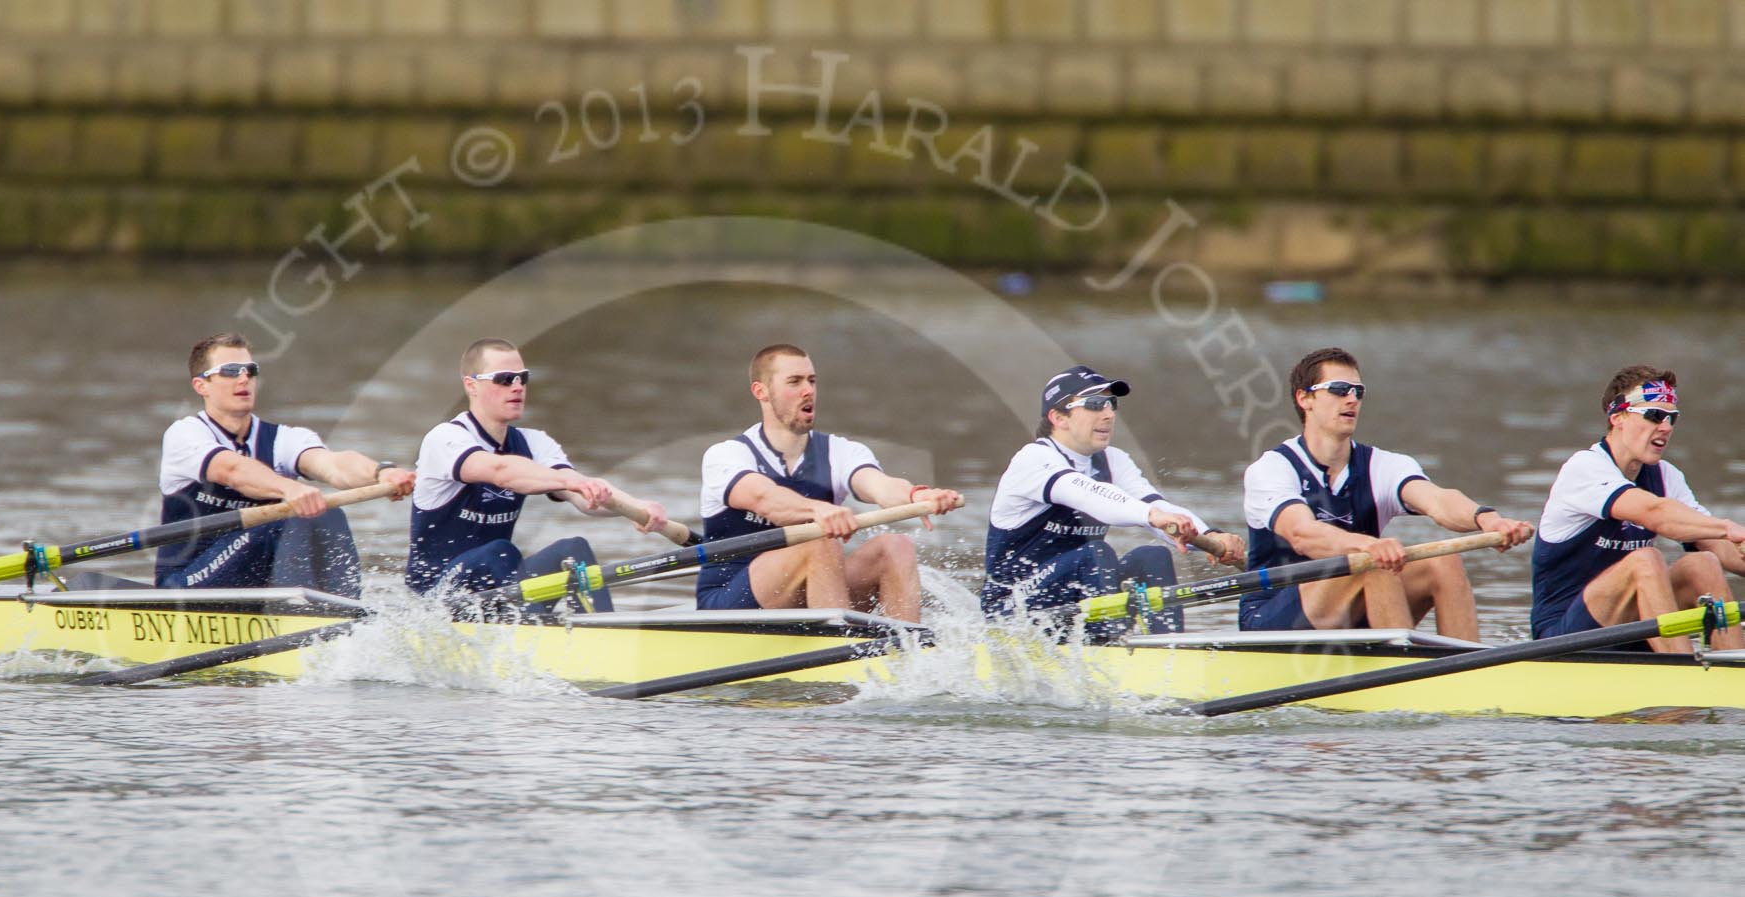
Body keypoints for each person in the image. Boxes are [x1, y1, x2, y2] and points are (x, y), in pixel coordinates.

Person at [1239, 346, 1532, 638]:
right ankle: (1403, 671)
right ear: (1305, 398)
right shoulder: (1272, 469)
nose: (1352, 398)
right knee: (1371, 563)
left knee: (1443, 563)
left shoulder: (1381, 465)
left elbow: (1438, 500)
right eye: (1339, 389)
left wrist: (1486, 519)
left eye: (1358, 391)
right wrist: (1365, 546)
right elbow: (1302, 534)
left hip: (1354, 603)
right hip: (1272, 616)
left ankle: (1466, 669)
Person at [696, 344, 962, 621]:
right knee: (819, 540)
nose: (808, 390)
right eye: (794, 382)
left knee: (896, 546)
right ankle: (841, 651)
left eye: (811, 381)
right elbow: (764, 498)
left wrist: (916, 496)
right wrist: (817, 510)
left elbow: (879, 486)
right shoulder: (726, 455)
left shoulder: (840, 451)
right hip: (729, 602)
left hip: (807, 590)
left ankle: (909, 653)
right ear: (761, 392)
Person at [405, 339, 669, 612]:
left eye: (522, 378)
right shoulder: (445, 438)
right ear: (471, 385)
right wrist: (569, 481)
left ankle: (603, 635)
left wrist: (637, 507)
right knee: (499, 551)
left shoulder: (536, 443)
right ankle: (532, 627)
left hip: (496, 589)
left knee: (573, 550)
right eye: (504, 379)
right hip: (435, 602)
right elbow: (501, 471)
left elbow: (584, 495)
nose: (517, 386)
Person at [982, 365, 1245, 633]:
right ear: (1059, 417)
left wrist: (1212, 536)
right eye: (1095, 404)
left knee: (1152, 556)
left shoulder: (1113, 460)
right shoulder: (1033, 459)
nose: (1108, 414)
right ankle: (1108, 643)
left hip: (1071, 598)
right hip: (1011, 607)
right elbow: (1087, 494)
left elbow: (1156, 505)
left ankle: (1166, 649)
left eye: (1111, 404)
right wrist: (1152, 516)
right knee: (1095, 554)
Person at [157, 332, 415, 597]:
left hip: (256, 586)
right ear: (202, 386)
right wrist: (288, 489)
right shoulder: (184, 435)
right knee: (286, 518)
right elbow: (232, 470)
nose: (244, 378)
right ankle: (303, 615)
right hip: (188, 584)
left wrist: (382, 472)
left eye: (250, 370)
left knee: (327, 510)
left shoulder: (283, 438)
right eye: (231, 371)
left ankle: (347, 614)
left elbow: (333, 465)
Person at [1529, 366, 1745, 654]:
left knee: (1702, 564)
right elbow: (1655, 513)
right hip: (1564, 638)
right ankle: (1684, 678)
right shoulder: (1584, 469)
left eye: (1672, 418)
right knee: (1645, 560)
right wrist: (1728, 527)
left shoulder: (1666, 476)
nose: (1666, 427)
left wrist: (1734, 540)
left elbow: (1724, 549)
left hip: (1630, 626)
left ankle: (1732, 670)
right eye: (1654, 415)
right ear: (1617, 417)